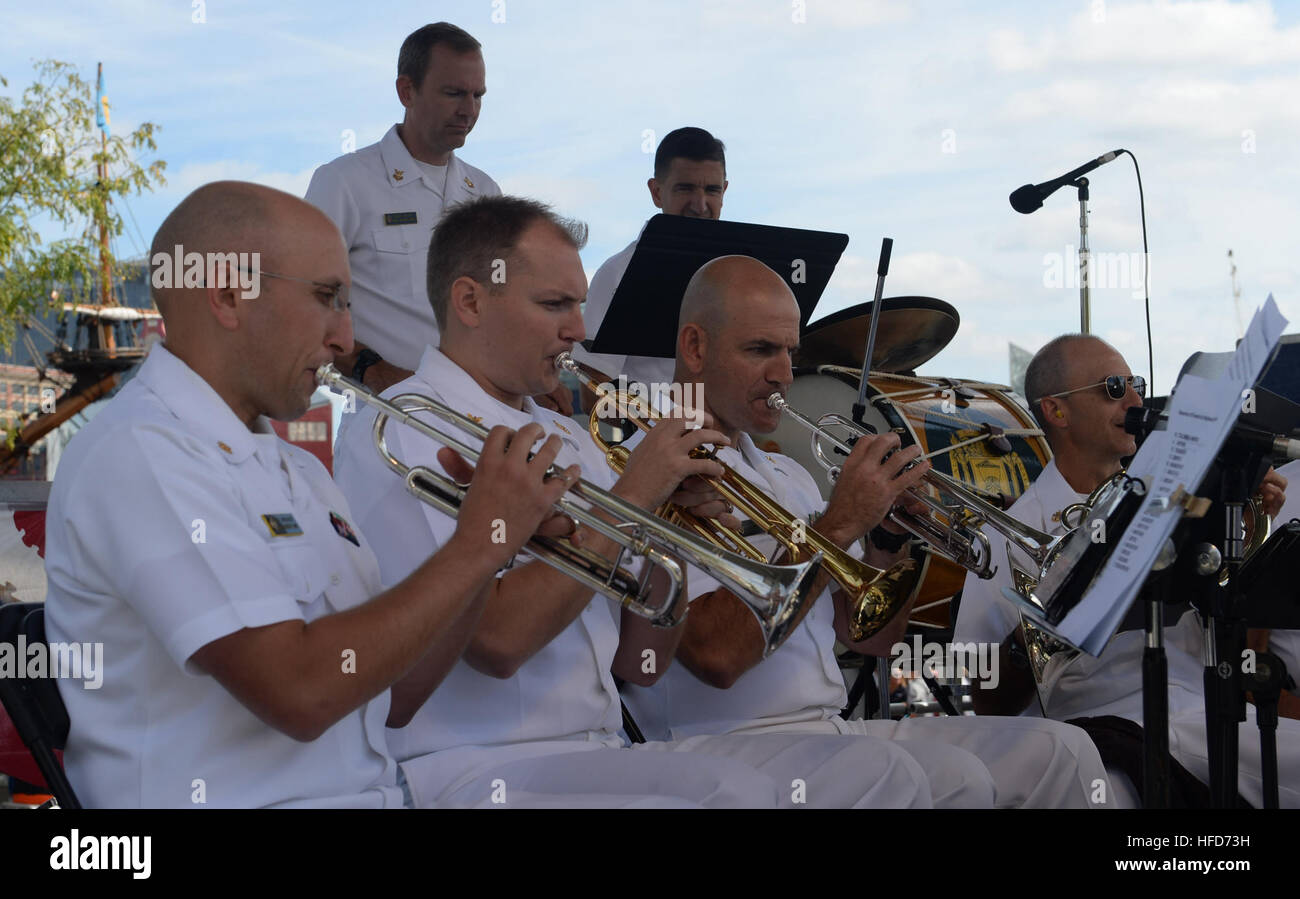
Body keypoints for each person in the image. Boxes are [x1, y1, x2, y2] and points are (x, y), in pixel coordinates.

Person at [333, 195, 936, 809]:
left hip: (600, 750)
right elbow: (497, 644)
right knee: (746, 794)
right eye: (554, 305)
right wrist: (638, 500)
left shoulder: (571, 439)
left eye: (578, 306)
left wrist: (664, 536)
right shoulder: (407, 426)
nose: (578, 330)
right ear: (470, 302)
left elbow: (642, 663)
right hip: (472, 766)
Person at [42, 181, 580, 808]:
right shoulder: (143, 450)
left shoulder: (298, 471)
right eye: (328, 299)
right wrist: (474, 543)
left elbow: (397, 697)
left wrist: (494, 541)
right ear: (227, 295)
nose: (346, 340)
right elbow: (299, 693)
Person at [619, 255, 1113, 809]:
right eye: (760, 350)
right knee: (941, 777)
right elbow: (715, 657)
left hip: (830, 730)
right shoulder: (645, 470)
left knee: (1060, 751)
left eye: (791, 353)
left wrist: (887, 540)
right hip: (722, 741)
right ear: (695, 348)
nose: (783, 373)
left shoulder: (787, 475)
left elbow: (871, 640)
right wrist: (839, 524)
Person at [955, 332, 1300, 807]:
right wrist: (1044, 626)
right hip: (1106, 736)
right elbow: (977, 697)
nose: (1137, 400)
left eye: (1135, 383)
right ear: (1057, 411)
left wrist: (1237, 527)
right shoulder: (1007, 535)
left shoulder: (1178, 503)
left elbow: (1233, 639)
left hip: (1206, 718)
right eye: (1114, 388)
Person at [304, 23, 499, 395]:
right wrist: (370, 370)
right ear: (406, 91)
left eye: (478, 95)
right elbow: (302, 299)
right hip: (384, 415)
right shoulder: (344, 182)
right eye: (454, 93)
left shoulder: (486, 193)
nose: (468, 110)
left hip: (480, 416)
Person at [570, 126, 727, 392]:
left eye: (712, 190)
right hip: (654, 433)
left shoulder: (739, 271)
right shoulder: (618, 274)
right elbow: (593, 393)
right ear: (656, 192)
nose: (700, 205)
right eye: (685, 189)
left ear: (724, 191)